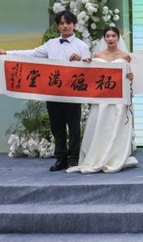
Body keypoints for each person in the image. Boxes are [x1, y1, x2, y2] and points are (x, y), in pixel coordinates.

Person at [0, 10, 91, 171]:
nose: (65, 26)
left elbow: (90, 69)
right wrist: (7, 53)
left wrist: (81, 61)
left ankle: (74, 158)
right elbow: (32, 53)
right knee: (57, 127)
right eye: (61, 23)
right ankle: (60, 158)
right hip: (53, 91)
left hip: (72, 93)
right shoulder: (51, 44)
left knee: (74, 127)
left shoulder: (82, 45)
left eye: (68, 23)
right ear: (58, 26)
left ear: (74, 25)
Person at [67, 27, 138, 174]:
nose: (111, 38)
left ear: (118, 38)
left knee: (116, 126)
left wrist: (131, 76)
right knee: (99, 125)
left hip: (119, 99)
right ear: (104, 38)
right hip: (101, 98)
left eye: (113, 36)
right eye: (108, 36)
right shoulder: (97, 55)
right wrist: (83, 61)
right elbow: (90, 75)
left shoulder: (126, 56)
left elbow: (134, 75)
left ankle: (115, 156)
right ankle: (97, 155)